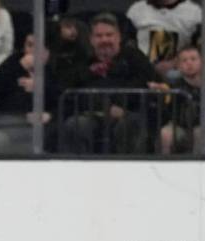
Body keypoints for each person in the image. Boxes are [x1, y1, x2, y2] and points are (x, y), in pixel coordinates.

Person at [59, 12, 160, 154]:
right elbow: (71, 89)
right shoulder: (82, 61)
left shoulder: (134, 57)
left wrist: (119, 104)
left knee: (130, 124)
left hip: (128, 113)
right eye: (99, 36)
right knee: (74, 125)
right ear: (91, 39)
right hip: (92, 114)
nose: (104, 39)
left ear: (118, 37)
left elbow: (144, 84)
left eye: (109, 35)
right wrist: (104, 106)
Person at [126, 0, 203, 80]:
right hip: (141, 68)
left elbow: (200, 46)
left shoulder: (194, 12)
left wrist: (175, 62)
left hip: (180, 70)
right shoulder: (136, 10)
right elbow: (127, 43)